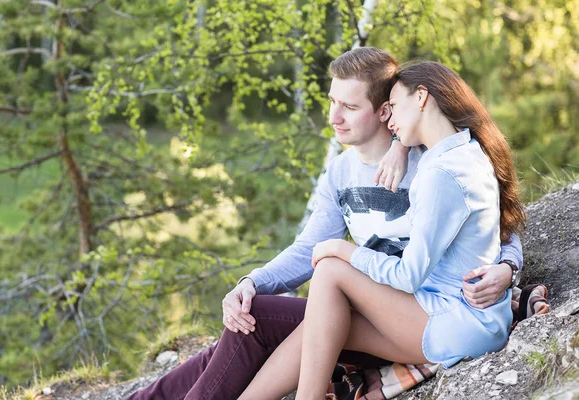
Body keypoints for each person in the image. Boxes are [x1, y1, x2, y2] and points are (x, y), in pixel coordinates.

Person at [126, 49, 523, 400]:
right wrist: (250, 282)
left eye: (349, 107)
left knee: (269, 317)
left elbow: (496, 224)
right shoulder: (342, 172)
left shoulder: (431, 159)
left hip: (418, 311)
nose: (334, 117)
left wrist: (507, 269)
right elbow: (307, 248)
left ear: (386, 110)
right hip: (374, 306)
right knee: (250, 317)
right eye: (332, 101)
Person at [237, 60, 526, 400]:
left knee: (331, 270)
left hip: (456, 321)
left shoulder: (439, 174)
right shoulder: (465, 151)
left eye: (394, 107)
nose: (390, 118)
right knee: (324, 325)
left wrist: (343, 250)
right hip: (452, 315)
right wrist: (399, 145)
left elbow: (408, 276)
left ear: (421, 97)